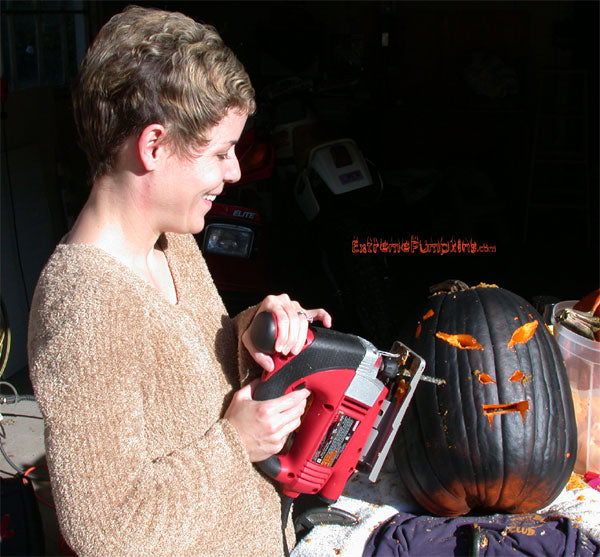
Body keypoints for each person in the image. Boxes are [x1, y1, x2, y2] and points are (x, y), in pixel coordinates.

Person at [27, 5, 331, 556]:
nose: (234, 171)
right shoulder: (85, 308)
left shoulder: (173, 242)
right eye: (220, 152)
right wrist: (234, 444)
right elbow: (107, 533)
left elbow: (187, 374)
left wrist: (253, 329)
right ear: (154, 146)